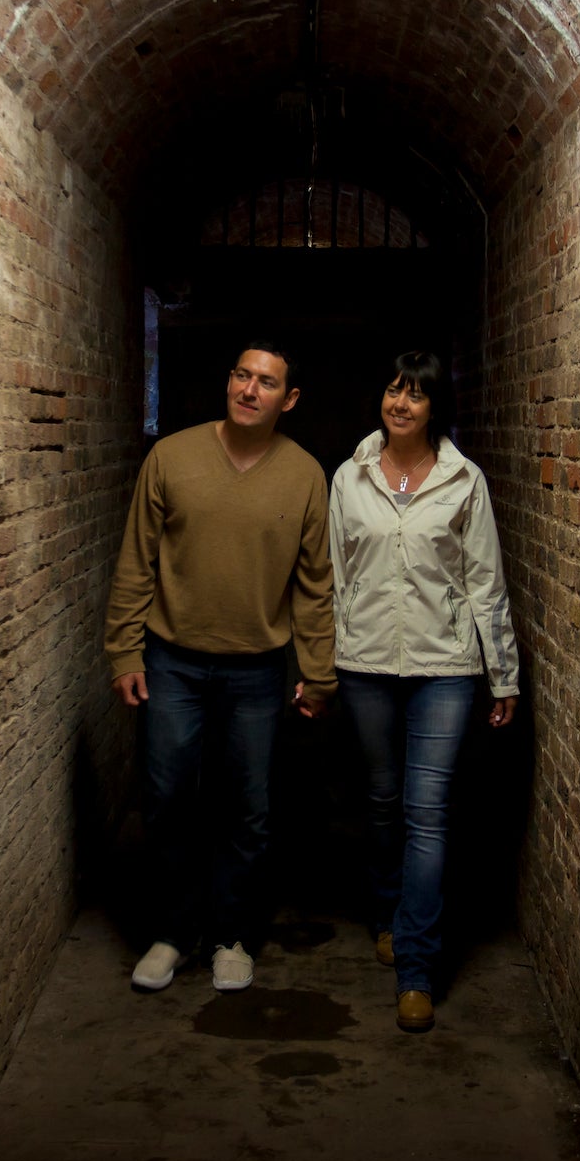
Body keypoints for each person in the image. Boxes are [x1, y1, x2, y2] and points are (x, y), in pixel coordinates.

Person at [105, 339, 335, 994]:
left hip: (257, 669)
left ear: (287, 399)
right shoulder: (171, 457)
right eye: (240, 373)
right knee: (169, 796)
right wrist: (124, 648)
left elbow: (315, 586)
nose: (249, 388)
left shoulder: (304, 475)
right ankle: (175, 932)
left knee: (248, 807)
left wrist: (318, 672)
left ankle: (231, 933)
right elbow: (135, 562)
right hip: (171, 659)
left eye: (266, 381)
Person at [328, 350, 519, 1032]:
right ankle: (386, 912)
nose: (400, 403)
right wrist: (325, 662)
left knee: (427, 809)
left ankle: (417, 966)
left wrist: (503, 672)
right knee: (381, 801)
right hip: (366, 663)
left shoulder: (464, 481)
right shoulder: (349, 477)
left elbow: (484, 582)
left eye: (416, 394)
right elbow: (337, 575)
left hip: (444, 665)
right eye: (393, 389)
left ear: (437, 407)